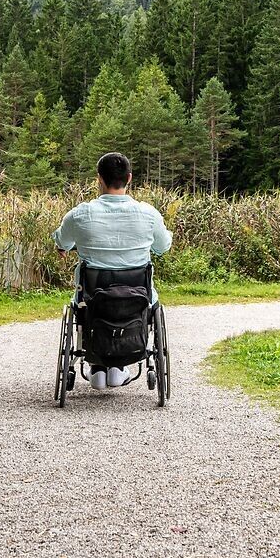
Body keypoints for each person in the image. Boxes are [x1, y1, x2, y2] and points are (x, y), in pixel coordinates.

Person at [54, 152, 172, 390]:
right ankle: (119, 366)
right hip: (138, 293)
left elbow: (61, 241)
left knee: (85, 306)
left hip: (91, 296)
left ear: (99, 179)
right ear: (129, 178)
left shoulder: (80, 214)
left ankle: (97, 367)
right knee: (150, 303)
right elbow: (162, 247)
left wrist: (64, 247)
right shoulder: (148, 214)